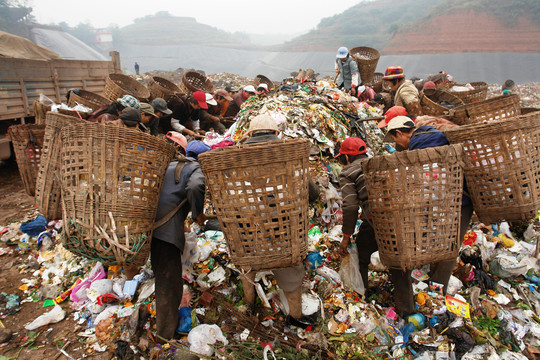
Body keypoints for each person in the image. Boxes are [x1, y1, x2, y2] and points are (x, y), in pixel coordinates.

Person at [383, 116, 474, 314]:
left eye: (395, 140)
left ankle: (436, 291)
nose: (397, 145)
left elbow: (429, 178)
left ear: (399, 133)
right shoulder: (431, 136)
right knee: (448, 243)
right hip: (459, 200)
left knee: (447, 246)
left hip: (453, 202)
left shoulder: (421, 143)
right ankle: (435, 286)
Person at [241, 114, 318, 328]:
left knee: (248, 264)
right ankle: (295, 318)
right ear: (276, 133)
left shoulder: (234, 156)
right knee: (289, 267)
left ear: (250, 135)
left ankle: (248, 307)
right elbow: (312, 193)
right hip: (282, 228)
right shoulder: (290, 154)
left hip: (248, 228)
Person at [151, 140, 211, 341]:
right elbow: (195, 186)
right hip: (163, 231)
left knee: (165, 276)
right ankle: (165, 336)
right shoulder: (195, 168)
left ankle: (165, 326)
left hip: (148, 225)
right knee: (168, 282)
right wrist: (197, 214)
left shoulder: (168, 165)